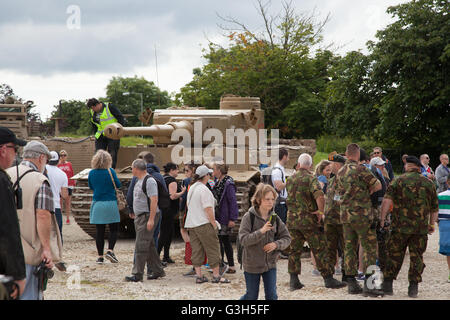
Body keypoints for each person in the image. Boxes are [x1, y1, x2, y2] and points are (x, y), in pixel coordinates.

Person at [6, 141, 63, 300]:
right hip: (28, 251)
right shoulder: (39, 180)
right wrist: (46, 248)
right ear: (41, 158)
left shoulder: (5, 174)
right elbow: (43, 215)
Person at [380, 156, 439, 298]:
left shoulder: (397, 181)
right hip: (419, 229)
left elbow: (387, 201)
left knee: (394, 254)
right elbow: (434, 208)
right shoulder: (428, 183)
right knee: (417, 256)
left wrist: (382, 220)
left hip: (399, 227)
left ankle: (387, 285)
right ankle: (413, 288)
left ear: (407, 166)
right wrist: (431, 224)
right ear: (419, 168)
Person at [286, 153, 346, 291]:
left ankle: (293, 280)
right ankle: (328, 279)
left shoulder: (290, 179)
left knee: (294, 250)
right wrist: (320, 212)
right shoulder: (310, 178)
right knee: (319, 249)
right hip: (308, 221)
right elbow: (319, 196)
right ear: (310, 165)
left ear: (299, 164)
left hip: (292, 221)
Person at [335, 143, 383, 297]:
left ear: (346, 154)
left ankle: (351, 283)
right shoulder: (362, 169)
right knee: (368, 248)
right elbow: (378, 185)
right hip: (362, 215)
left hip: (346, 216)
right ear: (357, 155)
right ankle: (369, 285)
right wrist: (366, 192)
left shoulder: (340, 171)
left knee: (349, 247)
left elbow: (336, 196)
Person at [239, 183, 291, 300]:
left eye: (272, 199)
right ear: (258, 200)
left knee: (272, 296)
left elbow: (287, 238)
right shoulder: (248, 217)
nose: (270, 202)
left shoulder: (275, 218)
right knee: (251, 296)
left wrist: (276, 244)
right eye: (267, 199)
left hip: (270, 264)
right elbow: (243, 240)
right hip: (252, 264)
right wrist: (261, 231)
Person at [184, 165, 230, 284]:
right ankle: (216, 276)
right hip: (204, 223)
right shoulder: (204, 190)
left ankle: (199, 276)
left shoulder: (192, 187)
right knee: (213, 248)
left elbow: (188, 206)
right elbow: (208, 209)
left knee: (197, 250)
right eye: (209, 174)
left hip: (192, 224)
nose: (210, 176)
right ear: (206, 176)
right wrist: (214, 223)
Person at [125, 159, 165, 282]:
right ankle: (158, 270)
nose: (131, 170)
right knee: (150, 245)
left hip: (147, 216)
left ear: (136, 168)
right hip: (140, 216)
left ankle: (137, 274)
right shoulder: (138, 180)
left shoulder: (149, 181)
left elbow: (154, 200)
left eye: (132, 168)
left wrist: (151, 219)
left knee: (141, 245)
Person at [0, 127, 26, 300]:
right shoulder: (2, 181)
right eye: (14, 149)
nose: (15, 154)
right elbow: (8, 231)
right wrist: (18, 275)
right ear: (3, 150)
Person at [127, 152, 168, 252]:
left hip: (141, 213)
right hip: (156, 211)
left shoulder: (137, 177)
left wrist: (131, 208)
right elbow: (165, 194)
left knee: (140, 241)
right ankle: (152, 265)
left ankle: (139, 265)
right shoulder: (159, 176)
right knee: (153, 238)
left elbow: (130, 193)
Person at [88, 150, 121, 265]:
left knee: (100, 231)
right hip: (110, 203)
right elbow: (118, 184)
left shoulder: (92, 173)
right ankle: (110, 250)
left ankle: (100, 257)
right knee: (114, 229)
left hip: (97, 203)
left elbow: (90, 186)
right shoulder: (110, 171)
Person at [212, 160, 239, 274]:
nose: (212, 172)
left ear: (219, 170)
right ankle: (221, 263)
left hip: (225, 216)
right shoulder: (219, 182)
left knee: (225, 241)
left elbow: (232, 201)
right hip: (218, 215)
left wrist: (232, 218)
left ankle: (231, 266)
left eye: (214, 169)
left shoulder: (228, 183)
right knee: (220, 240)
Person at [324, 154, 347, 281]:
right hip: (330, 220)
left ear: (337, 165)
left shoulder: (345, 179)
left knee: (346, 248)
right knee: (329, 248)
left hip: (342, 220)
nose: (329, 166)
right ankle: (329, 276)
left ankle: (346, 274)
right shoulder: (332, 180)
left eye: (331, 164)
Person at [158, 162, 186, 263]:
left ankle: (166, 256)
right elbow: (172, 196)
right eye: (177, 169)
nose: (178, 171)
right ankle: (158, 256)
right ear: (172, 170)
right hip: (169, 210)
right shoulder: (172, 181)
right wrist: (182, 193)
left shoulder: (163, 178)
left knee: (169, 233)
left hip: (163, 208)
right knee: (165, 233)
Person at [87, 98, 126, 169]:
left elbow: (121, 118)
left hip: (113, 135)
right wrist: (95, 133)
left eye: (93, 108)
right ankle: (98, 170)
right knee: (98, 154)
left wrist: (118, 131)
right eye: (91, 108)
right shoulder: (92, 111)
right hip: (100, 135)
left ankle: (110, 170)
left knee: (112, 154)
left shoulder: (110, 107)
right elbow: (94, 123)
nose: (92, 110)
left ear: (98, 105)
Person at [179, 161, 201, 277]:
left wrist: (180, 210)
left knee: (186, 233)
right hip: (199, 213)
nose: (185, 173)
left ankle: (191, 258)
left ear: (193, 170)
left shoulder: (187, 181)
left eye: (187, 170)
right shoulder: (202, 181)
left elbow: (183, 199)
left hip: (187, 212)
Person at [46, 151, 68, 242]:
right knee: (58, 233)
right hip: (56, 206)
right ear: (58, 160)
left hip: (42, 206)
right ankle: (58, 253)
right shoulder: (62, 174)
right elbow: (64, 195)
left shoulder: (42, 170)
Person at [437, 176, 450, 283]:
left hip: (445, 223)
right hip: (445, 222)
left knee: (449, 251)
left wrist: (434, 222)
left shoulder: (440, 196)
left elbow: (435, 211)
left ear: (447, 182)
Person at [57, 149, 75, 224]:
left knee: (68, 203)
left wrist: (73, 183)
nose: (63, 156)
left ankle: (68, 218)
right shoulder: (58, 165)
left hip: (68, 185)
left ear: (66, 156)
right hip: (60, 186)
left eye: (64, 155)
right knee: (60, 203)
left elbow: (72, 173)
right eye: (61, 155)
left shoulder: (69, 164)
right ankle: (60, 218)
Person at [271, 148, 289, 224]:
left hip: (281, 204)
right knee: (279, 226)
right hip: (279, 205)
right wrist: (289, 181)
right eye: (288, 156)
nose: (289, 159)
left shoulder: (280, 169)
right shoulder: (277, 171)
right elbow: (278, 186)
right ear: (284, 157)